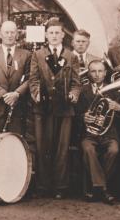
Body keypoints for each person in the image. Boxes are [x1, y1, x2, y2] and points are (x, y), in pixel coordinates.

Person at [29, 19, 81, 199]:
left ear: (63, 35)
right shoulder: (38, 54)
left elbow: (76, 82)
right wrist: (35, 93)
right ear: (46, 35)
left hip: (64, 108)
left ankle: (60, 186)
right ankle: (43, 186)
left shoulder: (71, 56)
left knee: (62, 148)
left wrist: (74, 94)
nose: (54, 36)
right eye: (51, 33)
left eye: (57, 33)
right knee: (43, 147)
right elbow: (33, 78)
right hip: (42, 108)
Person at [76, 60, 120, 204]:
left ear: (105, 72)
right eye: (93, 71)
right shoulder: (82, 91)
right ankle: (103, 189)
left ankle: (95, 188)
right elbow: (75, 115)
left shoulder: (114, 91)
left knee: (113, 150)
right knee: (88, 149)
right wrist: (83, 117)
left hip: (108, 134)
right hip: (89, 134)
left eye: (100, 71)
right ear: (88, 73)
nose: (97, 75)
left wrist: (118, 108)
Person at [0, 20, 31, 134]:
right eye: (6, 32)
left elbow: (30, 78)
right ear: (0, 34)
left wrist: (16, 94)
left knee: (16, 144)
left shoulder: (26, 54)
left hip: (18, 108)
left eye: (12, 32)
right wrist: (4, 95)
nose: (9, 35)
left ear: (17, 34)